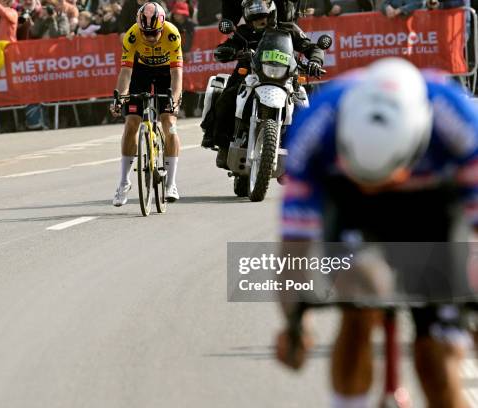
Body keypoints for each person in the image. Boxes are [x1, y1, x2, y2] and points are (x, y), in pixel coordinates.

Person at [276, 58, 478, 408]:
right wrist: (294, 322)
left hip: (433, 205)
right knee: (357, 303)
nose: (379, 188)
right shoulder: (315, 129)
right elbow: (295, 242)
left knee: (439, 357)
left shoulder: (460, 124)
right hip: (351, 203)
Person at [201, 0, 324, 168]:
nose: (259, 22)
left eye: (263, 17)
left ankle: (301, 152)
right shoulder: (243, 32)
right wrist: (227, 50)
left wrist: (315, 61)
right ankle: (223, 145)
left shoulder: (288, 29)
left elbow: (312, 47)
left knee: (302, 104)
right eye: (254, 18)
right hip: (250, 73)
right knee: (227, 96)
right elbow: (228, 45)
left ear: (271, 15)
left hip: (284, 75)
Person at [110, 1, 183, 205]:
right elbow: (126, 72)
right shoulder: (132, 35)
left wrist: (175, 100)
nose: (150, 38)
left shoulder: (172, 34)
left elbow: (177, 73)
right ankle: (124, 182)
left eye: (154, 34)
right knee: (132, 122)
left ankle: (171, 183)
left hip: (165, 73)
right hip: (140, 72)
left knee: (169, 124)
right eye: (146, 34)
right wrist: (119, 97)